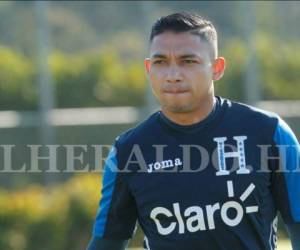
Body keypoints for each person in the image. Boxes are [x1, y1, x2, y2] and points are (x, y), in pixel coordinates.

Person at [87, 12, 300, 250]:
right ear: (148, 69)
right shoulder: (128, 151)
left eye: (188, 61)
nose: (173, 75)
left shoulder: (269, 133)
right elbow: (107, 242)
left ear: (217, 68)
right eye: (160, 62)